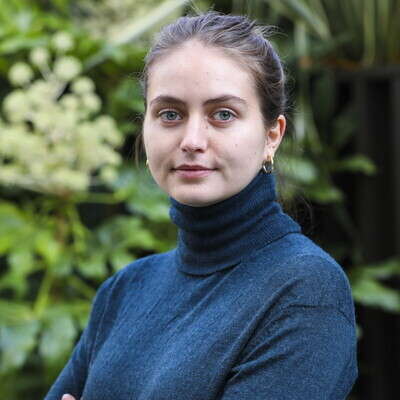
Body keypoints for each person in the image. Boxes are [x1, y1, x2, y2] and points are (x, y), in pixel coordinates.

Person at [46, 11, 358, 400]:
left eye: (223, 114)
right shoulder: (125, 290)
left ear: (271, 136)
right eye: (170, 114)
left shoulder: (305, 290)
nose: (192, 140)